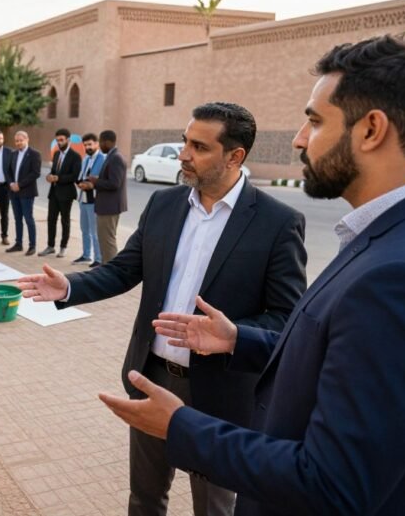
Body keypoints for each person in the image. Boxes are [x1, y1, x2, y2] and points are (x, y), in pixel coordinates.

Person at [100, 34, 405, 516]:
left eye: (315, 120)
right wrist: (238, 340)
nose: (299, 139)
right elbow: (339, 353)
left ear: (371, 129)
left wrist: (180, 427)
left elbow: (332, 482)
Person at [19, 103, 306, 516]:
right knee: (145, 497)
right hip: (152, 377)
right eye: (185, 142)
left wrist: (232, 336)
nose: (184, 154)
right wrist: (69, 287)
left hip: (219, 394)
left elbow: (286, 319)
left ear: (235, 156)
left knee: (214, 508)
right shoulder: (164, 204)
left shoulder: (277, 222)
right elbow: (123, 270)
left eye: (199, 147)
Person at [41, 128, 82, 258]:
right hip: (53, 193)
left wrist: (58, 178)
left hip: (66, 194)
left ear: (68, 140)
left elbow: (74, 176)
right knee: (51, 220)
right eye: (57, 140)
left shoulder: (75, 156)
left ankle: (63, 247)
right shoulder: (56, 154)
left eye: (61, 140)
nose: (59, 142)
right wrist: (49, 176)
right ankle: (50, 246)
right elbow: (54, 171)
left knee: (65, 221)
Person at [92, 130, 127, 263]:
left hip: (109, 208)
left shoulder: (116, 158)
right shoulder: (112, 156)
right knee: (105, 241)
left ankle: (110, 270)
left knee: (107, 242)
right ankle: (107, 267)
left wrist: (96, 182)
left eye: (100, 142)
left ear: (107, 142)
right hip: (107, 206)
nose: (99, 145)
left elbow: (114, 183)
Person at [5, 130, 42, 256]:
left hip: (27, 192)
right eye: (16, 141)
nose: (18, 143)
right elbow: (8, 171)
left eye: (21, 140)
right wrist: (11, 184)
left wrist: (19, 185)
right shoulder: (13, 154)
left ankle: (32, 245)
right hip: (13, 192)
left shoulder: (34, 154)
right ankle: (18, 244)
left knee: (28, 218)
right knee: (17, 219)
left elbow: (35, 173)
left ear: (27, 140)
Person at [72, 133, 105, 267]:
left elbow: (101, 180)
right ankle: (86, 255)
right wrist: (80, 183)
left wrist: (90, 184)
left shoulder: (103, 159)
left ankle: (99, 259)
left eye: (90, 144)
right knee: (84, 229)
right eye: (85, 145)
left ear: (97, 144)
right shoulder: (85, 158)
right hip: (83, 198)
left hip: (94, 200)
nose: (87, 147)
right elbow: (81, 176)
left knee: (95, 231)